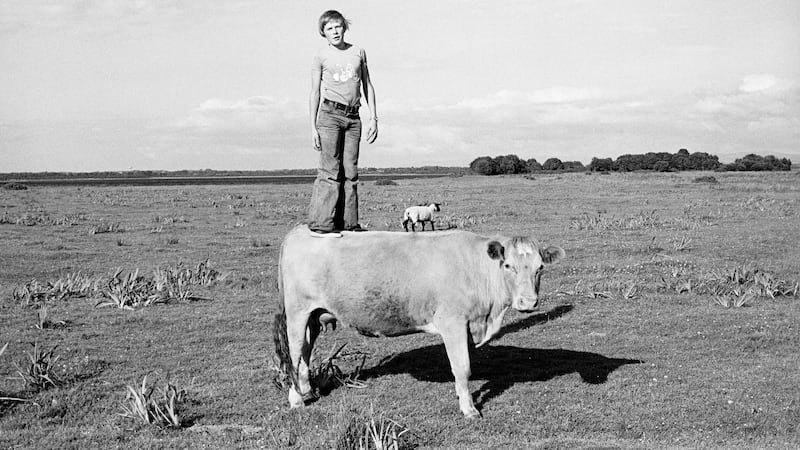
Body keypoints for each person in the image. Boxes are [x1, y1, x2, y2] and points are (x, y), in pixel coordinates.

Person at [307, 10, 378, 237]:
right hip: (329, 115)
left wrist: (373, 118)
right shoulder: (320, 56)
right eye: (329, 28)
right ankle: (321, 224)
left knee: (351, 172)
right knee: (330, 171)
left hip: (353, 117)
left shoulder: (358, 52)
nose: (335, 31)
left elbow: (368, 86)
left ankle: (349, 224)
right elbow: (314, 92)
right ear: (323, 33)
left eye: (338, 26)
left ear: (344, 27)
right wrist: (313, 127)